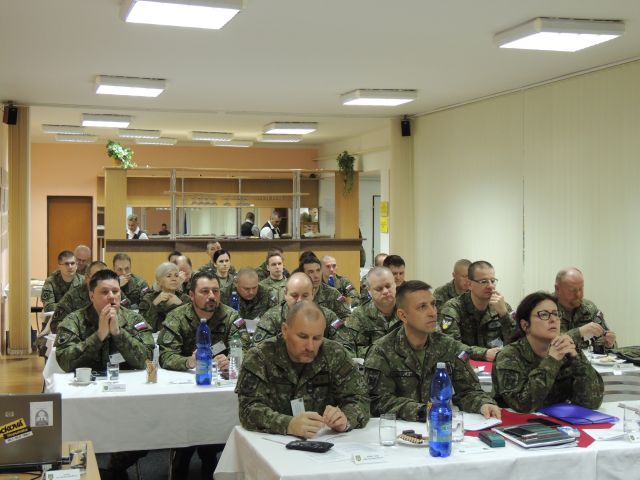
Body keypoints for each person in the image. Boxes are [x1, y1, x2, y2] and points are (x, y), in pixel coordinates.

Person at [365, 281, 500, 421]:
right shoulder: (382, 351)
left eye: (433, 304)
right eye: (422, 307)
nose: (432, 313)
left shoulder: (449, 347)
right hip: (400, 428)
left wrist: (483, 403)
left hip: (441, 425)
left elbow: (468, 391)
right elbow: (377, 401)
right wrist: (422, 411)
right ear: (403, 315)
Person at [236, 301, 370, 437]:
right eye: (303, 337)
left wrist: (345, 418)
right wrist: (288, 424)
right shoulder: (260, 358)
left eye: (317, 338)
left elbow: (360, 399)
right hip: (272, 443)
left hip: (324, 440)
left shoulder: (335, 354)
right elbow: (248, 409)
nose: (310, 347)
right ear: (285, 330)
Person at [157, 270, 242, 479]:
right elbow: (165, 356)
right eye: (205, 291)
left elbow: (247, 349)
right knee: (184, 438)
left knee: (214, 434)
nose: (211, 296)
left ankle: (209, 456)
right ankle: (183, 458)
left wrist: (232, 361)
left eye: (215, 291)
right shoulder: (177, 317)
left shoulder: (231, 316)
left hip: (218, 389)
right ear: (191, 295)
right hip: (185, 388)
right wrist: (188, 361)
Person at [492, 291, 604, 413]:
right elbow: (523, 405)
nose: (553, 319)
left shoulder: (566, 349)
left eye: (556, 314)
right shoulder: (509, 355)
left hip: (558, 420)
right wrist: (552, 361)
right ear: (525, 325)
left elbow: (592, 403)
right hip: (516, 421)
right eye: (544, 314)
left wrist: (577, 360)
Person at [55, 269, 155, 373]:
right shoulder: (74, 320)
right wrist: (98, 336)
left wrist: (119, 334)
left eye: (115, 291)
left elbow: (147, 360)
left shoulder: (134, 319)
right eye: (104, 292)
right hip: (86, 381)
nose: (111, 296)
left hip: (125, 381)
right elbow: (64, 362)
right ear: (92, 296)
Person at [438, 260, 514, 361]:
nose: (490, 286)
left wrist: (504, 315)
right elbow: (450, 346)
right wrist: (483, 354)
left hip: (497, 365)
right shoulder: (453, 308)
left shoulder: (501, 306)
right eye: (484, 282)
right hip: (464, 366)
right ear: (469, 284)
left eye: (492, 281)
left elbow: (516, 343)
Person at [253, 273, 344, 345]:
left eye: (305, 296)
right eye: (294, 295)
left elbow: (345, 347)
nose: (300, 300)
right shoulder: (271, 318)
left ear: (312, 294)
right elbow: (257, 353)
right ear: (285, 293)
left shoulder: (328, 317)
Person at [334, 266, 401, 358]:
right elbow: (346, 347)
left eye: (388, 286)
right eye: (379, 289)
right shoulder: (359, 315)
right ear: (369, 291)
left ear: (395, 285)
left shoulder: (408, 310)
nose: (385, 291)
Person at [554, 267, 616, 352]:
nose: (578, 294)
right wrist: (579, 332)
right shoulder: (545, 308)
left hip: (586, 360)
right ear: (557, 289)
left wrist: (609, 344)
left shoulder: (589, 308)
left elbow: (604, 342)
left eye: (581, 288)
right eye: (572, 290)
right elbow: (548, 346)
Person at [49, 261, 108, 334]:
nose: (100, 283)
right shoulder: (72, 297)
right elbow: (55, 325)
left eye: (104, 279)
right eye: (95, 279)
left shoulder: (113, 295)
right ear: (86, 277)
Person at [139, 262, 191, 332]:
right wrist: (154, 304)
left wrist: (180, 305)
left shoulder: (185, 299)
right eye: (169, 276)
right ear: (159, 282)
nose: (174, 279)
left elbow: (189, 328)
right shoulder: (148, 299)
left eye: (176, 276)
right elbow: (143, 328)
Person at [298, 255, 351, 320]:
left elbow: (347, 317)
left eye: (318, 270)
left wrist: (332, 325)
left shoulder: (333, 293)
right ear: (302, 274)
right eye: (311, 272)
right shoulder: (296, 296)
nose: (316, 276)